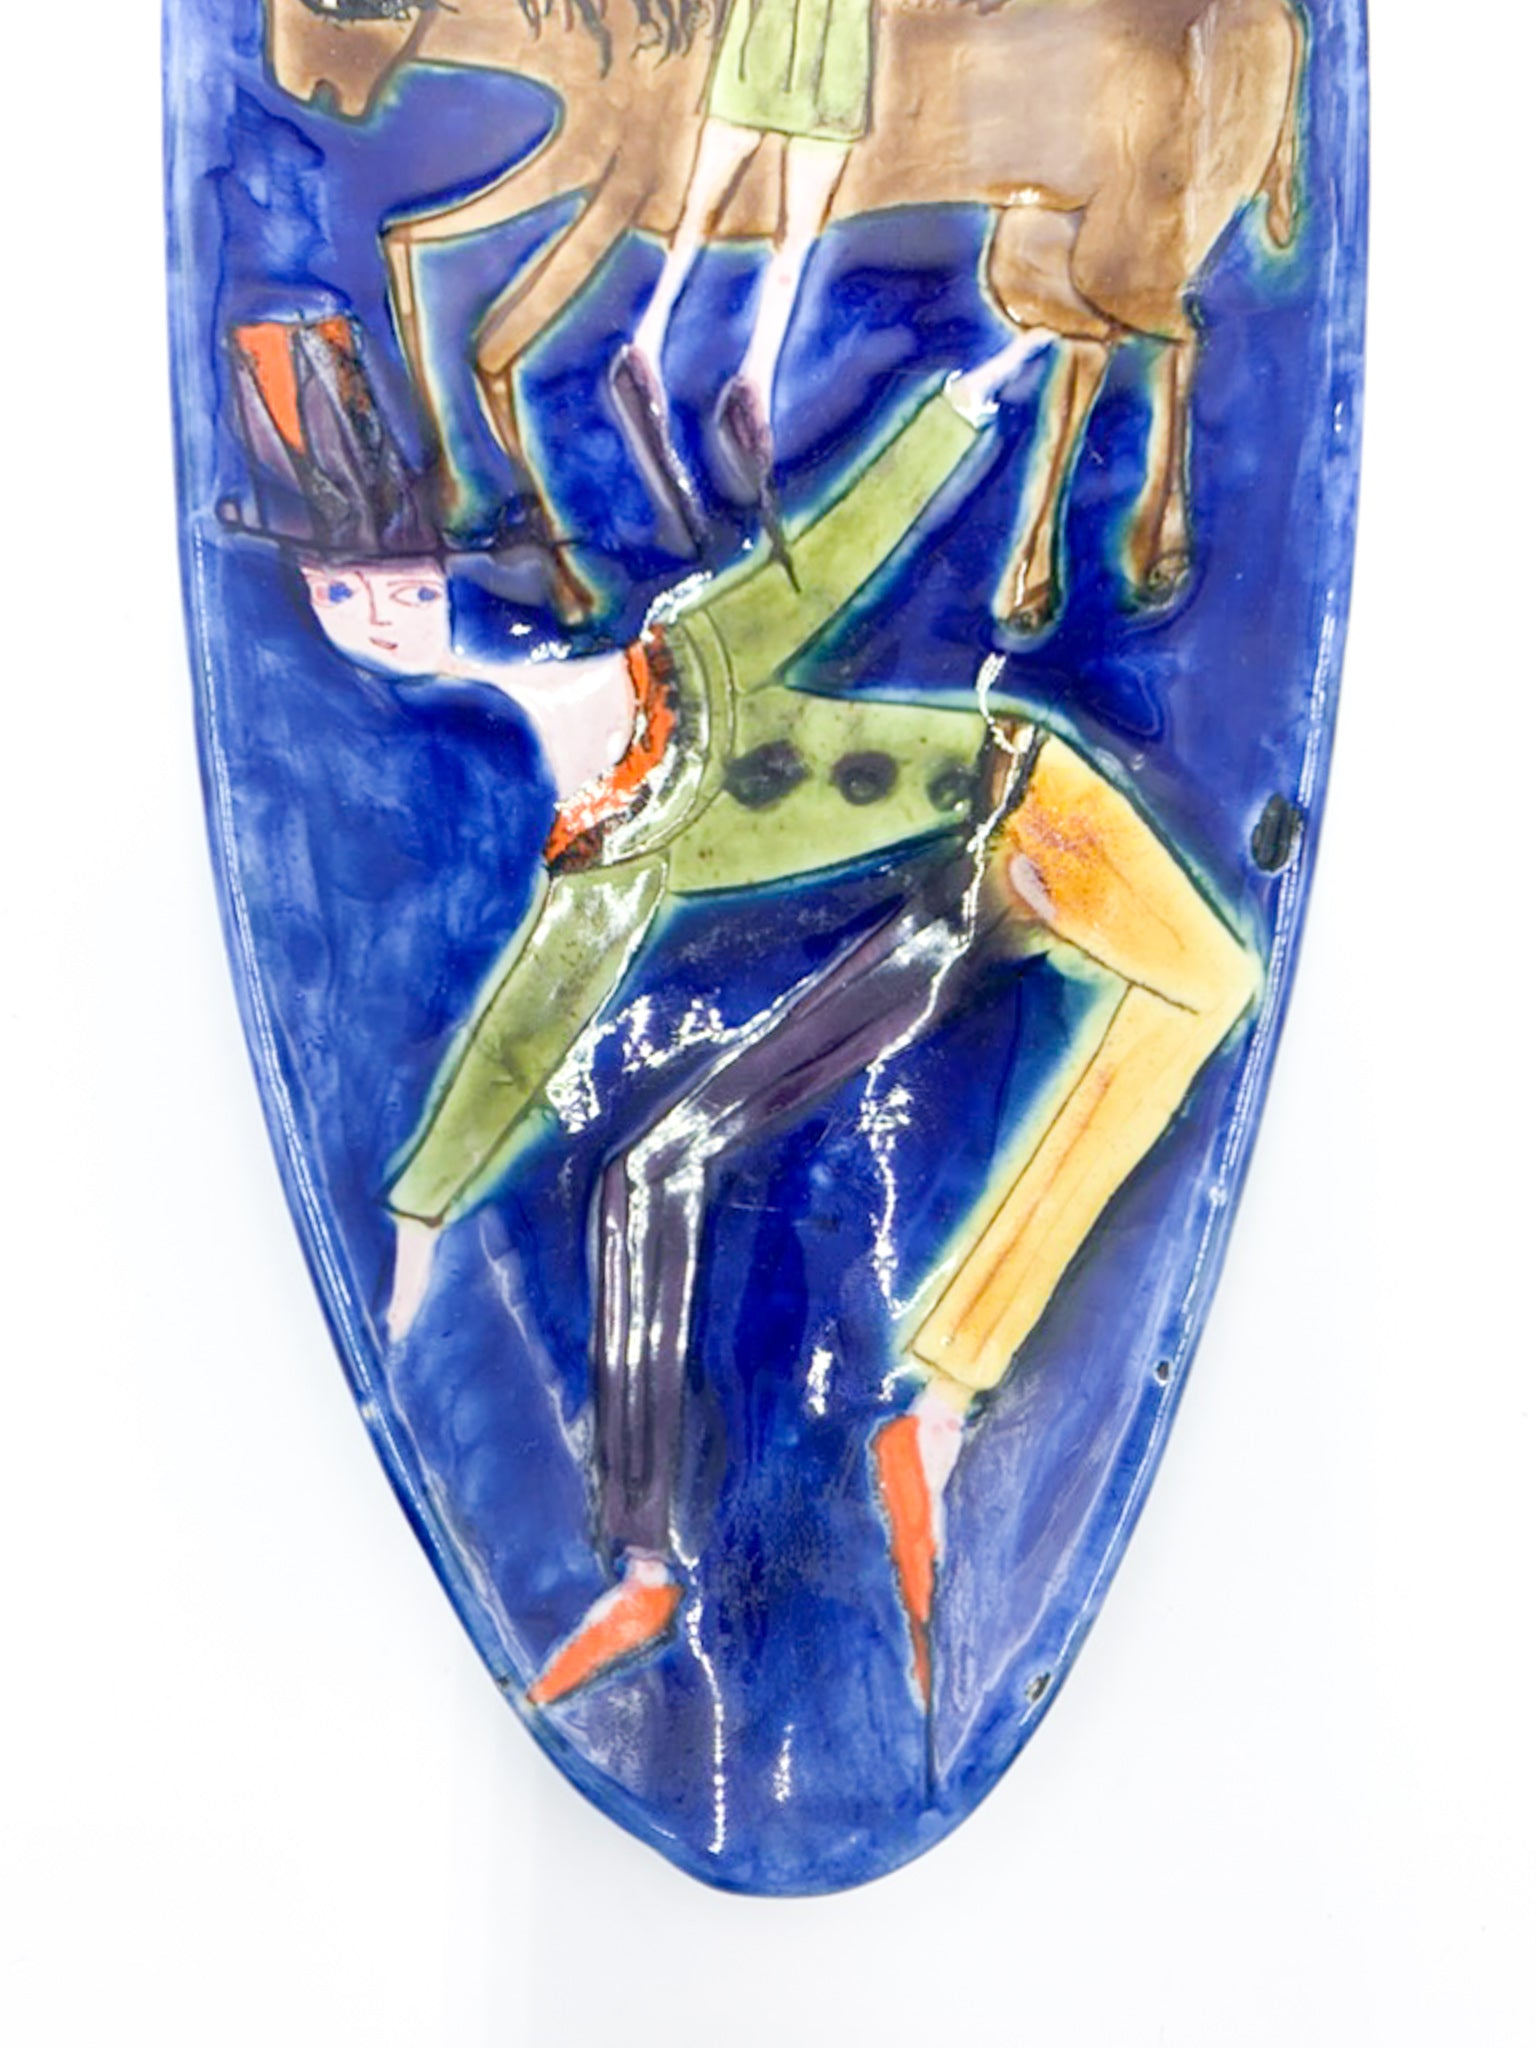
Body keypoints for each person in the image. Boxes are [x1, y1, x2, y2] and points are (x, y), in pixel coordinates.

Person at [293, 352, 1261, 1716]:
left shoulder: (699, 656)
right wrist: (416, 1227)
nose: (383, 620)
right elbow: (521, 1031)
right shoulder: (607, 861)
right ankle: (652, 1563)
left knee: (1212, 981)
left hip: (1033, 810)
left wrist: (980, 384)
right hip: (970, 882)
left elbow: (849, 543)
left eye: (399, 588)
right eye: (347, 597)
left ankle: (939, 1405)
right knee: (655, 1165)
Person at [611, 0, 880, 561]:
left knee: (716, 213)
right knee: (786, 236)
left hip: (798, 39)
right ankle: (743, 380)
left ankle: (665, 348)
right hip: (819, 44)